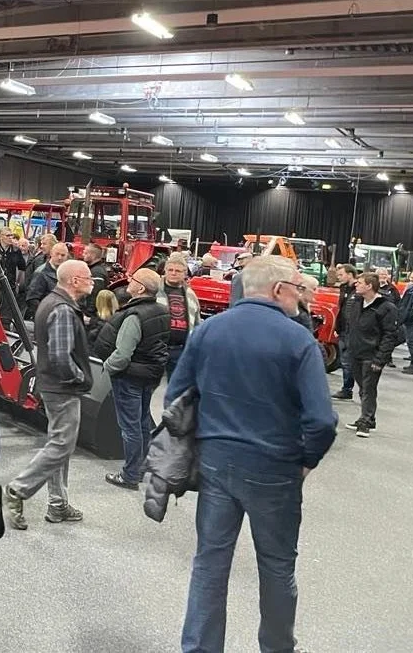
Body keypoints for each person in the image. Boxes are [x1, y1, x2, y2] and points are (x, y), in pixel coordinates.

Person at [168, 256, 337, 653]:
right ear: (278, 290)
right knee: (277, 568)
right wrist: (307, 462)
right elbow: (322, 421)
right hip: (275, 470)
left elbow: (176, 397)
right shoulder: (299, 341)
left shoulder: (208, 330)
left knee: (209, 564)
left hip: (215, 464)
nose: (302, 297)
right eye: (298, 288)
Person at [3, 259, 94, 528]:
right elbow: (59, 357)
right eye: (87, 276)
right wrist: (79, 379)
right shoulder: (63, 310)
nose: (93, 281)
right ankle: (18, 489)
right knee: (61, 445)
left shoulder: (51, 303)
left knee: (59, 444)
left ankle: (58, 504)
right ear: (74, 280)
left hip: (51, 386)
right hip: (62, 388)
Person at [93, 268, 168, 490]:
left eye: (133, 280)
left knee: (130, 427)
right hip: (150, 376)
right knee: (143, 422)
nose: (129, 282)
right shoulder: (162, 311)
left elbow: (122, 354)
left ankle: (130, 474)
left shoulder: (134, 315)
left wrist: (106, 367)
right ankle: (142, 466)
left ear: (141, 288)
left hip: (130, 378)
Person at [345, 272, 398, 437]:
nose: (356, 285)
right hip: (355, 352)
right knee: (362, 388)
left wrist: (380, 358)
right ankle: (368, 417)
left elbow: (390, 335)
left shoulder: (386, 307)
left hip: (371, 355)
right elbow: (350, 325)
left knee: (368, 389)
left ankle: (365, 422)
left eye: (360, 283)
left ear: (369, 286)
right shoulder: (356, 302)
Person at [158, 255, 202, 376]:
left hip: (180, 350)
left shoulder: (191, 295)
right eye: (170, 270)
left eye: (177, 271)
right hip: (156, 348)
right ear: (165, 271)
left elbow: (197, 322)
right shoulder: (154, 291)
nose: (173, 273)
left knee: (176, 390)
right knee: (147, 389)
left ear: (184, 273)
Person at [332, 264, 359, 400]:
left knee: (348, 361)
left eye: (341, 274)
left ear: (350, 274)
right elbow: (342, 310)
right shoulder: (344, 288)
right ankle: (347, 388)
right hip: (343, 329)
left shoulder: (358, 289)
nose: (339, 277)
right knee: (344, 361)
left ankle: (348, 389)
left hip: (352, 331)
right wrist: (338, 327)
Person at [25, 243, 71, 316]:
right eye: (57, 254)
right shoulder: (41, 273)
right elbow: (32, 298)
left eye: (63, 255)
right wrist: (46, 314)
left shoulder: (66, 272)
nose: (60, 257)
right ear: (51, 254)